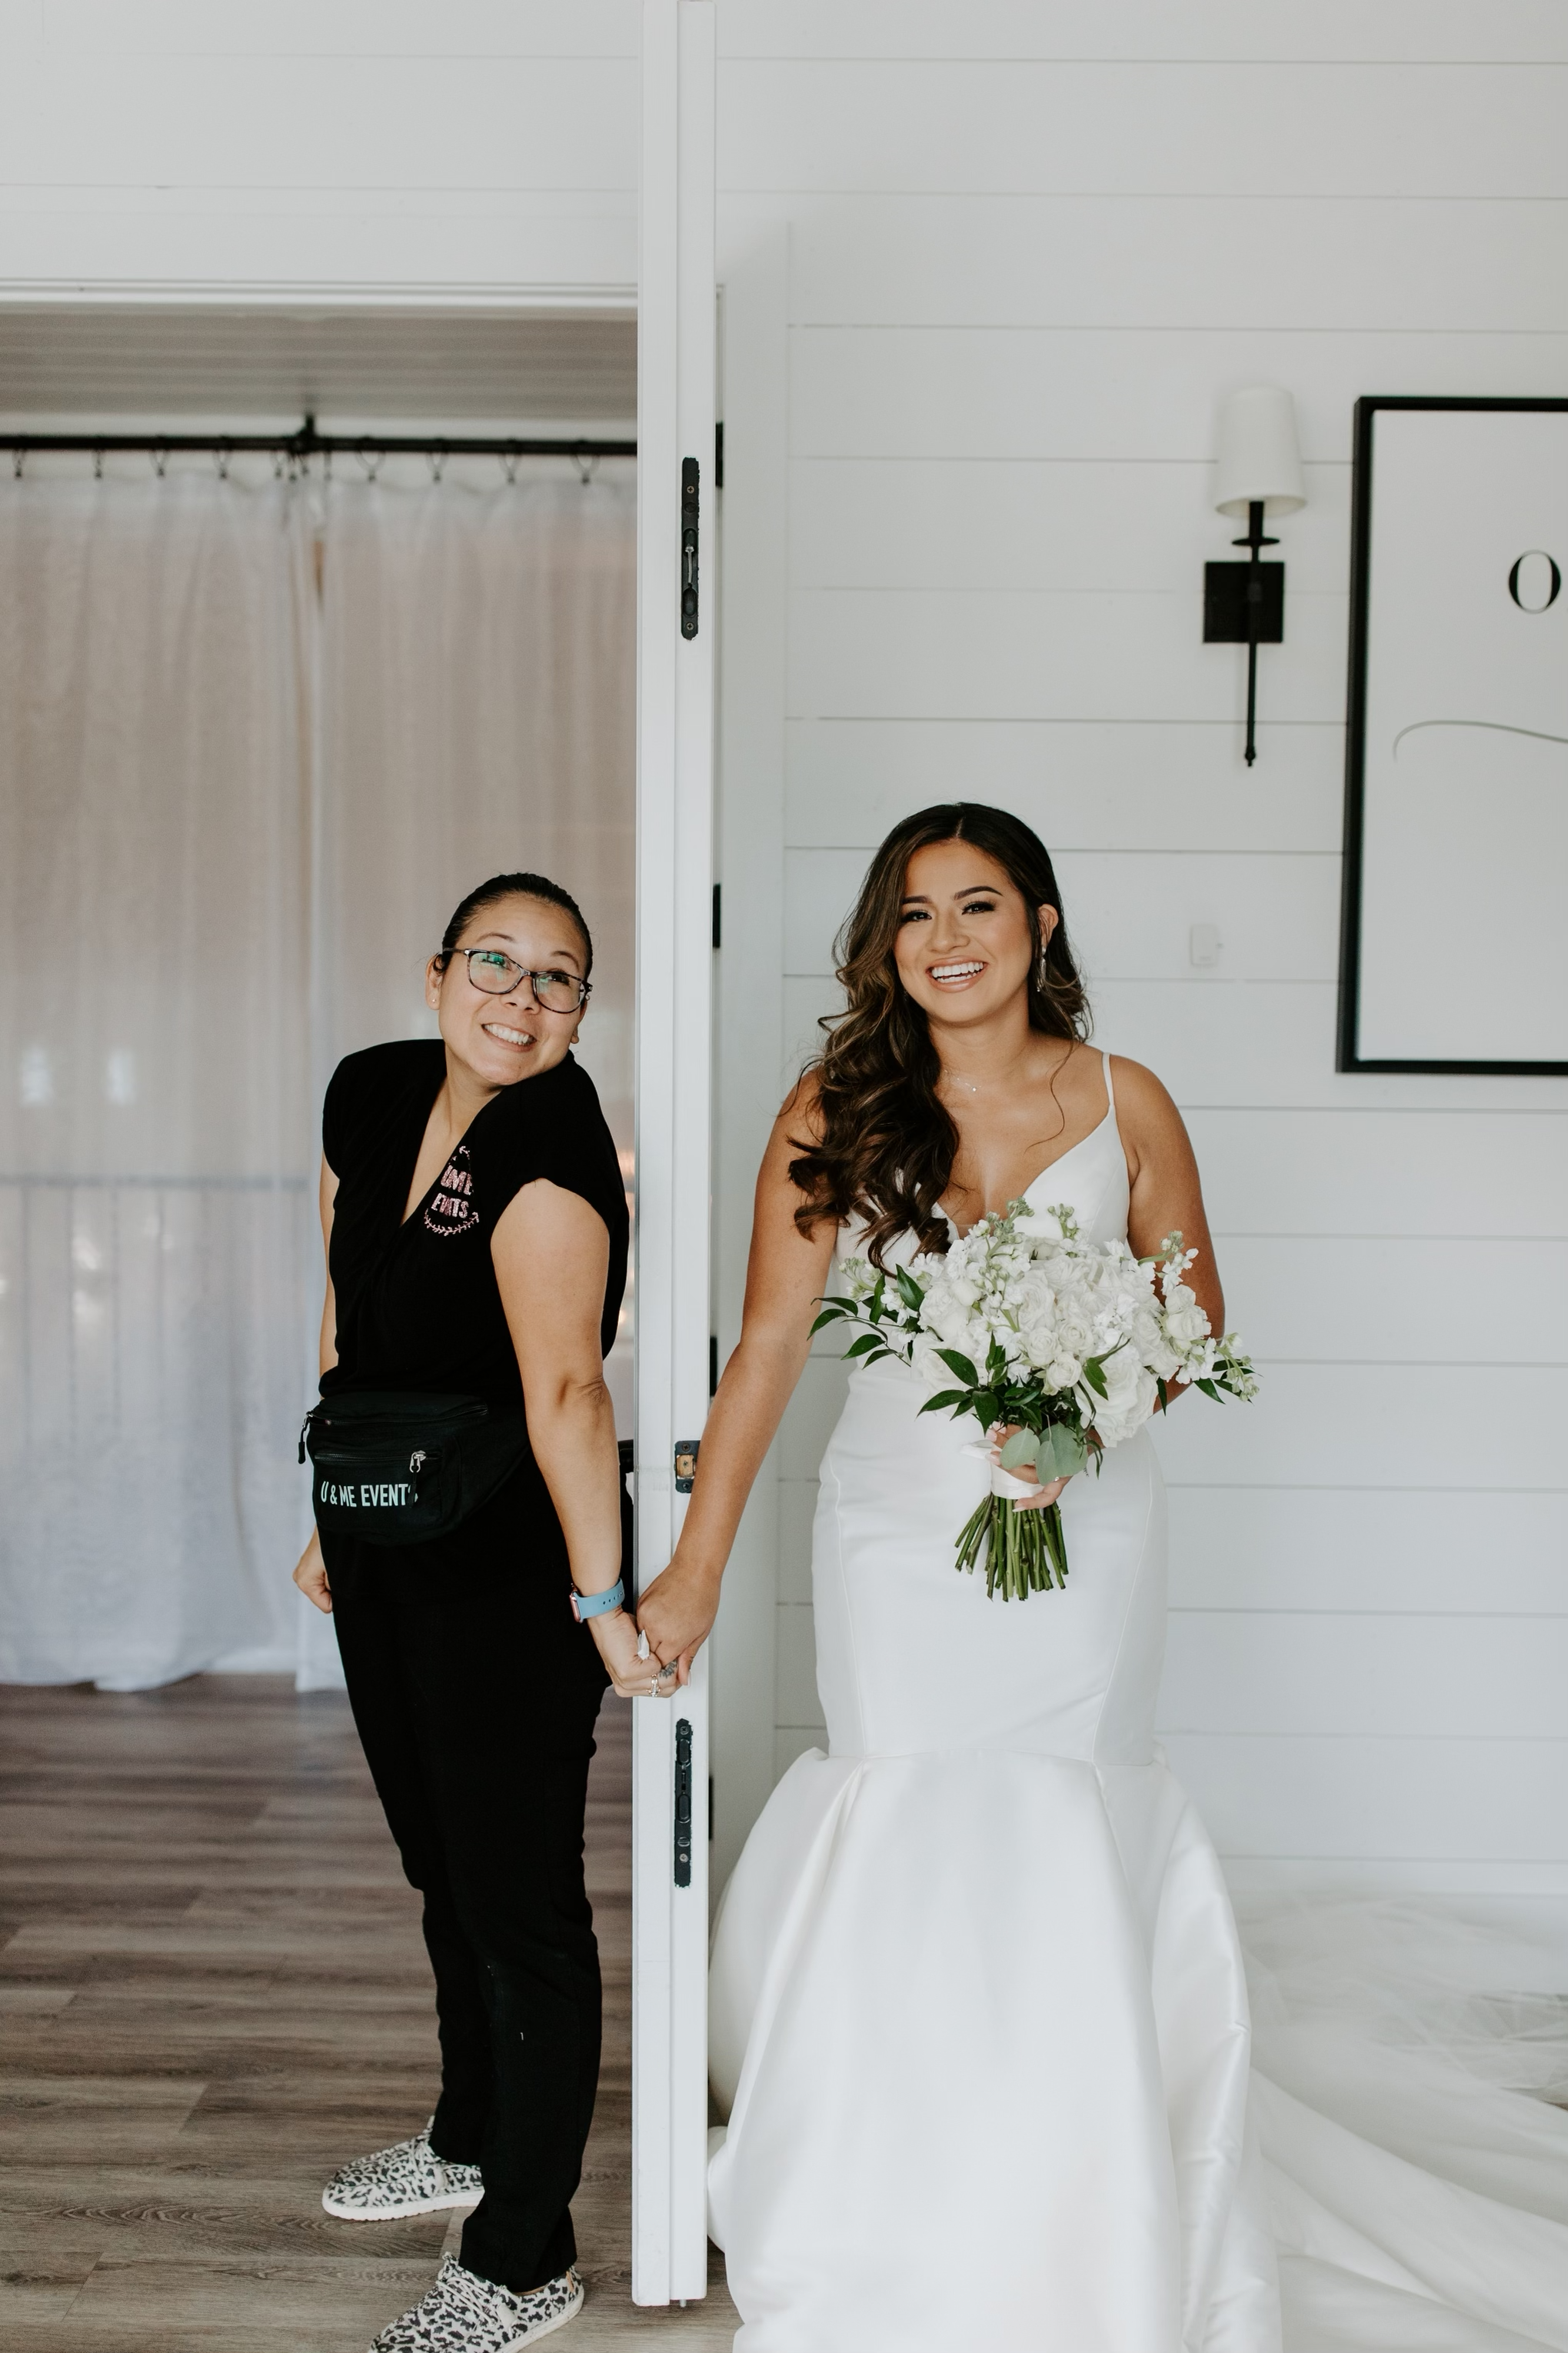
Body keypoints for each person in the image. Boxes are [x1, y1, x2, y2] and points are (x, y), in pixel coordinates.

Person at [635, 805, 1568, 2351]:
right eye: (913, 912)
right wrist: (694, 1566)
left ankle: (1082, 2173)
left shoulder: (1125, 1097)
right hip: (893, 1525)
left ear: (1041, 923)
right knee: (910, 1796)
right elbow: (771, 1342)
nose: (944, 939)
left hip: (1086, 1528)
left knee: (1064, 1809)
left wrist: (1075, 1426)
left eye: (976, 905)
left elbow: (1191, 1327)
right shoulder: (835, 1107)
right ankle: (897, 2176)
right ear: (882, 943)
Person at [292, 871, 672, 2353]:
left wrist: (601, 1603)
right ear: (436, 972)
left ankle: (522, 2255)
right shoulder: (371, 1090)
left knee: (519, 1907)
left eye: (557, 977)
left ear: (583, 1008)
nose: (520, 997)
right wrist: (333, 1499)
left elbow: (570, 1391)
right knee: (440, 1867)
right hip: (384, 1532)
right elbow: (343, 1300)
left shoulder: (554, 1154)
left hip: (509, 1566)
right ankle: (466, 2133)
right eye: (494, 963)